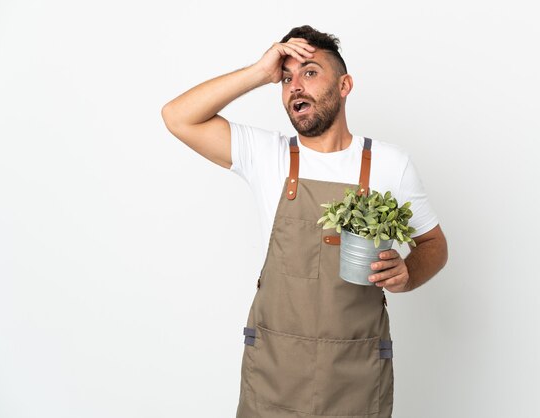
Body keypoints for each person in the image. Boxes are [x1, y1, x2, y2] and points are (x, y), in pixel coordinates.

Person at [162, 25, 448, 418]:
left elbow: (433, 245)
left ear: (345, 85)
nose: (295, 85)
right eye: (286, 78)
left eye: (310, 72)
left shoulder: (389, 164)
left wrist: (408, 273)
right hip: (276, 372)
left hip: (356, 375)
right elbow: (177, 117)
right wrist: (260, 72)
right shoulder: (267, 155)